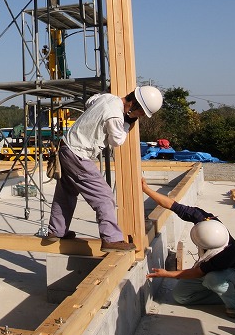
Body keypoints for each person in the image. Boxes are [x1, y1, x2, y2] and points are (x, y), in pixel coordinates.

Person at [47, 85, 164, 251]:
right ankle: (111, 239)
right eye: (141, 113)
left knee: (66, 192)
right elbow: (117, 141)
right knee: (104, 196)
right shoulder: (116, 116)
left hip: (66, 148)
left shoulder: (108, 98)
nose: (140, 117)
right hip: (79, 155)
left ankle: (56, 231)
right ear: (134, 105)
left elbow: (90, 102)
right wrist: (127, 122)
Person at [141, 178, 235, 318]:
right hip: (210, 272)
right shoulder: (204, 219)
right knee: (181, 296)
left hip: (231, 272)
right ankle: (223, 294)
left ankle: (234, 303)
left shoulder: (226, 255)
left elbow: (197, 272)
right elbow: (172, 205)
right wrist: (146, 190)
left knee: (212, 280)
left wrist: (166, 274)